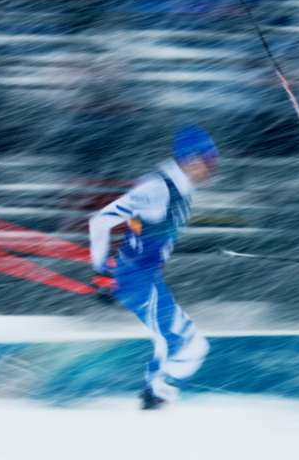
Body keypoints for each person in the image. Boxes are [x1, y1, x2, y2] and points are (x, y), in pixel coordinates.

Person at [89, 125, 219, 409]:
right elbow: (100, 221)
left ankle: (155, 395)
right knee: (184, 344)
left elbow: (153, 233)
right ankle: (154, 398)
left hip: (145, 276)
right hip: (136, 279)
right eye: (208, 160)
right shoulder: (157, 188)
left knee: (188, 344)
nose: (212, 167)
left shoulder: (180, 188)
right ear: (190, 159)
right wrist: (101, 272)